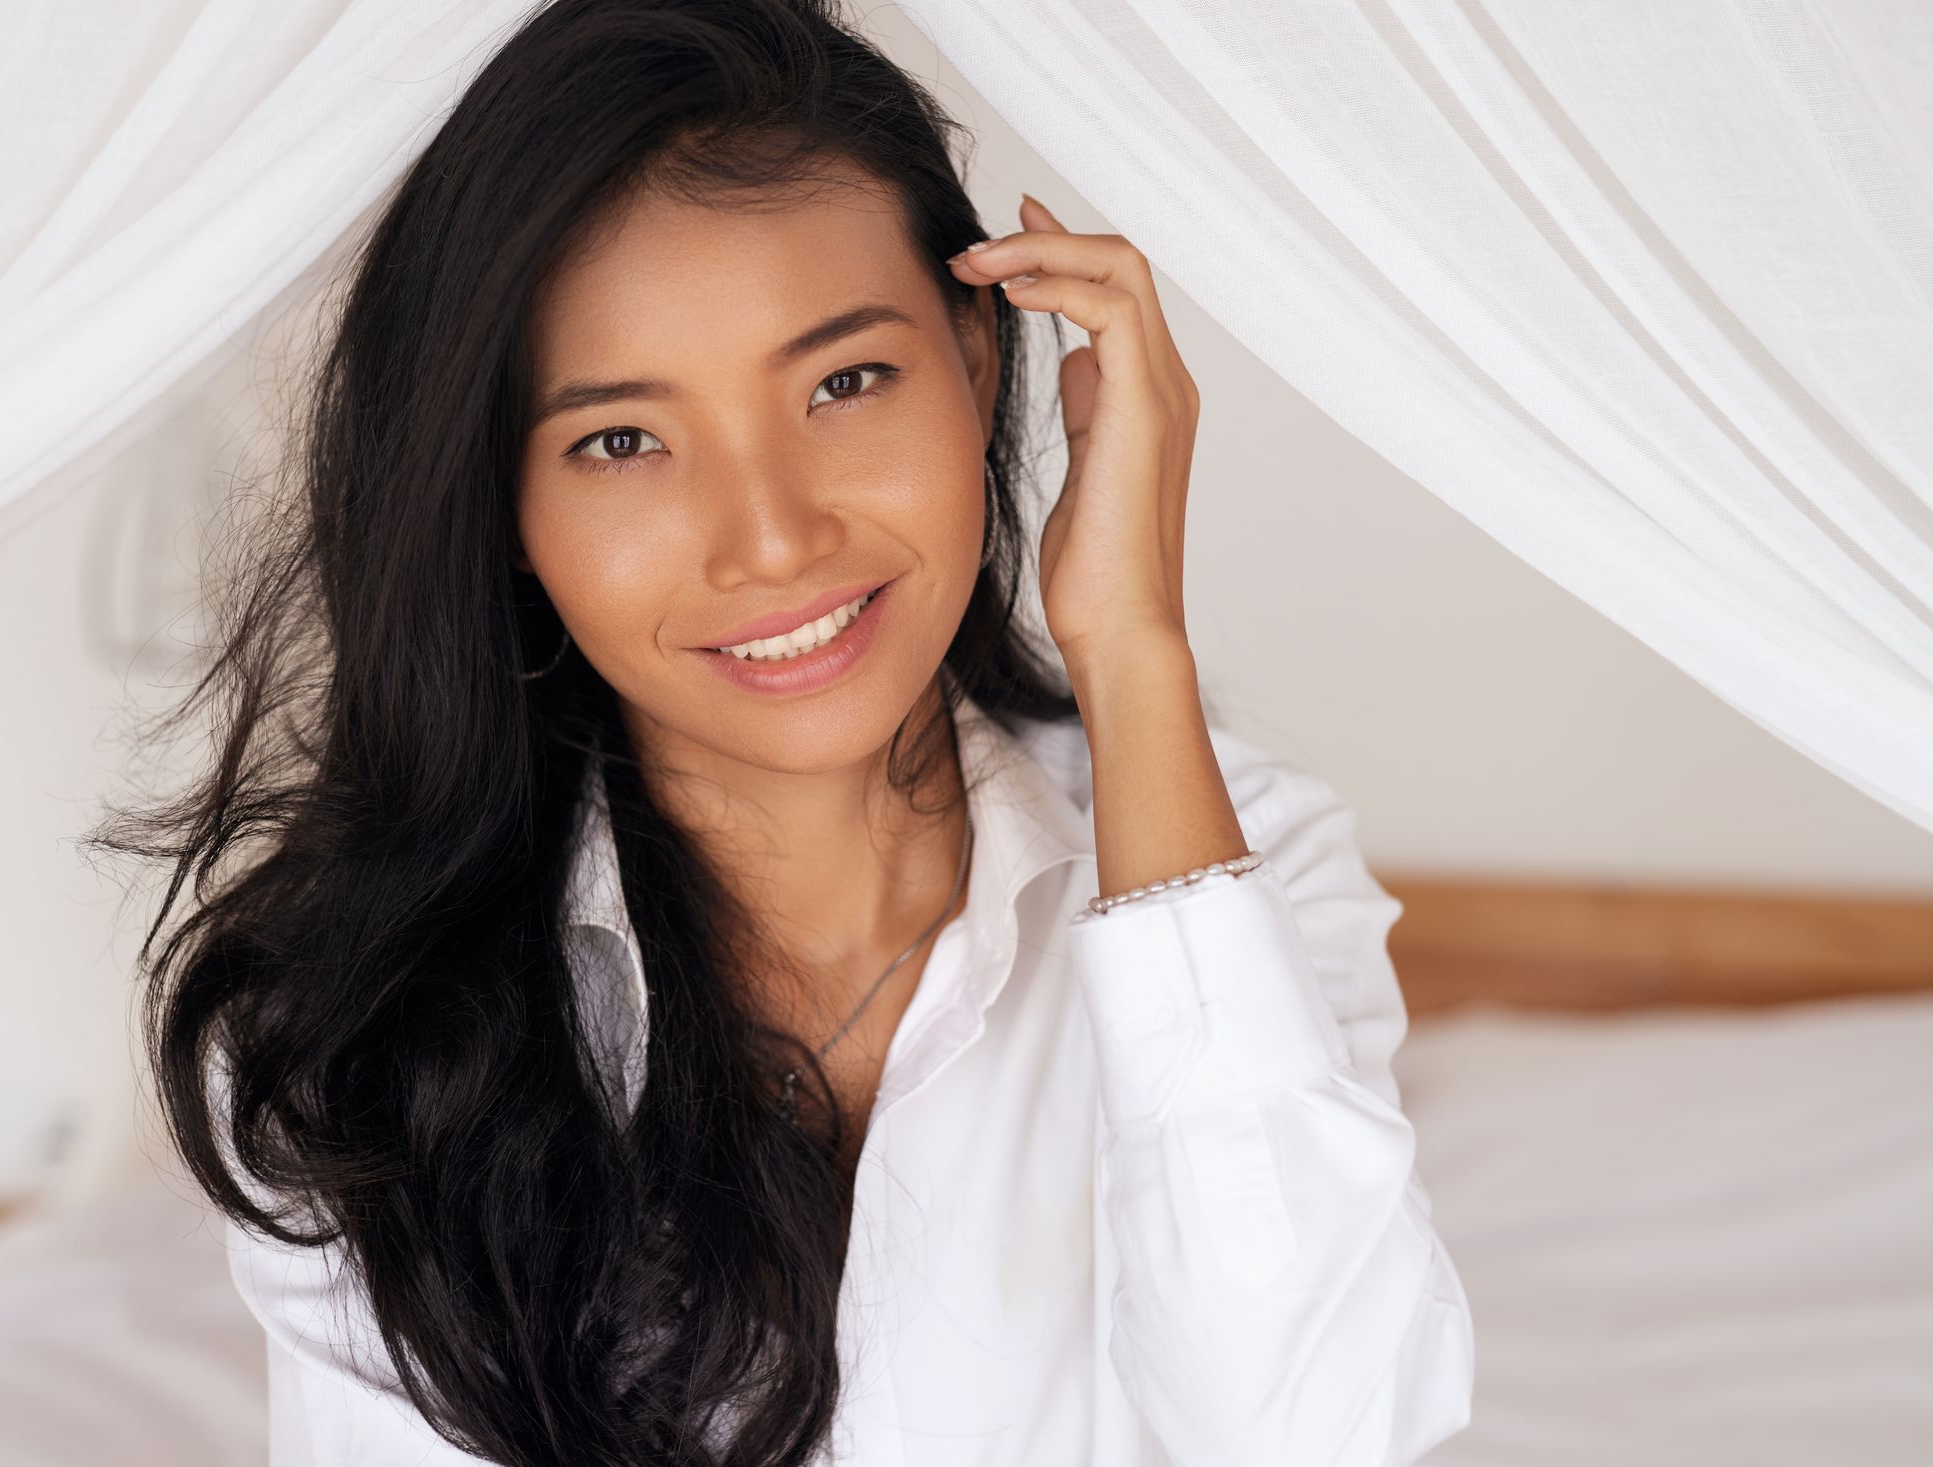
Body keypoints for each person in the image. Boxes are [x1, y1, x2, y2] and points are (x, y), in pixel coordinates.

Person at [87, 0, 1475, 1461]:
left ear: (978, 362)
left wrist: (1133, 649)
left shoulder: (1236, 870)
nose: (770, 539)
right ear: (502, 503)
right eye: (622, 440)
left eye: (844, 382)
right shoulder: (360, 1025)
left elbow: (1311, 1433)